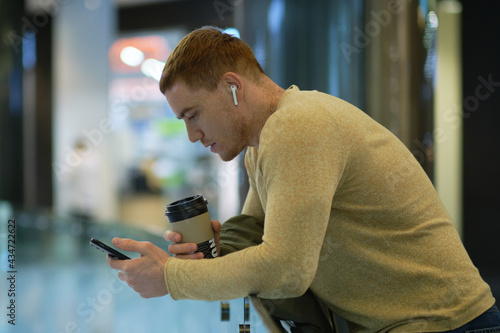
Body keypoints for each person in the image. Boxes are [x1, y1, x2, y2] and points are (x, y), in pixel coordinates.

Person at [106, 27, 500, 332]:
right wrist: (216, 247)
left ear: (232, 86)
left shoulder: (297, 126)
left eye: (193, 115)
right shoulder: (261, 148)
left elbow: (285, 271)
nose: (192, 135)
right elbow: (260, 241)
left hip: (446, 324)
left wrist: (172, 277)